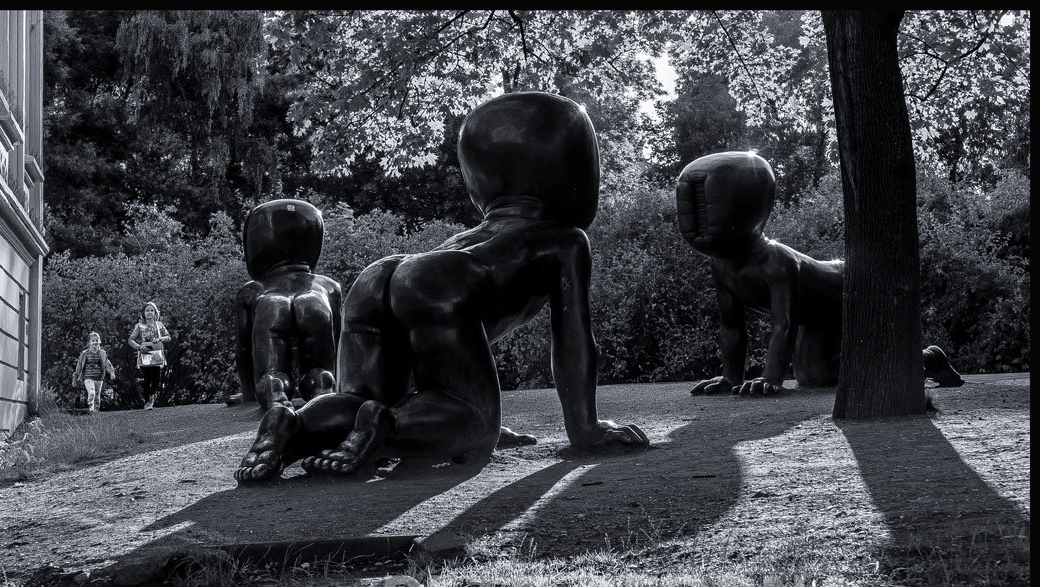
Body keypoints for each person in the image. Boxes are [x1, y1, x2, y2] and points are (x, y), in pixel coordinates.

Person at [235, 91, 649, 483]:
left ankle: (292, 424)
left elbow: (441, 362)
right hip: (437, 281)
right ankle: (388, 428)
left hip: (381, 275)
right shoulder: (564, 241)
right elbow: (574, 338)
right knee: (475, 423)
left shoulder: (474, 237)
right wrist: (586, 429)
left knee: (360, 398)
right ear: (574, 168)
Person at [676, 151, 965, 396]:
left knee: (817, 375)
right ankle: (923, 360)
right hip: (814, 316)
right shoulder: (722, 266)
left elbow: (784, 325)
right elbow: (731, 326)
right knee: (814, 375)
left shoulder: (776, 262)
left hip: (846, 289)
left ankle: (925, 359)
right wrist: (731, 378)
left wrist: (771, 378)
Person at [229, 199, 342, 411]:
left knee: (271, 372)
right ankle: (322, 381)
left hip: (271, 304)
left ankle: (273, 385)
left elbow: (243, 349)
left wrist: (248, 393)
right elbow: (337, 339)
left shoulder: (252, 289)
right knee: (320, 368)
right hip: (314, 302)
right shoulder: (328, 286)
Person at [128, 301, 171, 410]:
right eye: (147, 310)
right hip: (145, 354)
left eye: (152, 310)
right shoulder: (139, 326)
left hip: (157, 355)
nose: (149, 312)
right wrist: (139, 347)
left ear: (155, 312)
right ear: (143, 313)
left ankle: (151, 394)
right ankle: (147, 403)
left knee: (156, 380)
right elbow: (131, 340)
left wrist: (160, 339)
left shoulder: (159, 325)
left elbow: (168, 337)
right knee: (147, 379)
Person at [72, 331, 116, 413]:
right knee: (92, 392)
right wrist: (75, 377)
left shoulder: (102, 353)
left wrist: (112, 372)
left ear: (99, 341)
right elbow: (79, 365)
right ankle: (90, 407)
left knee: (97, 396)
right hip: (88, 377)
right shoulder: (84, 354)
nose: (95, 342)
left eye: (97, 340)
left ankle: (95, 411)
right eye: (93, 340)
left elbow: (107, 363)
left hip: (99, 378)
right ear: (89, 343)